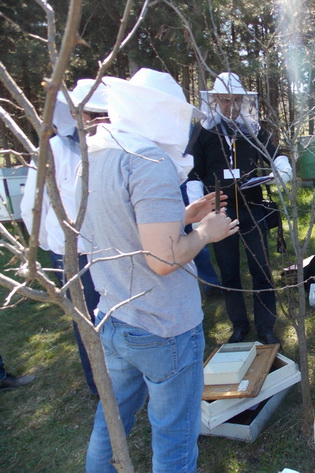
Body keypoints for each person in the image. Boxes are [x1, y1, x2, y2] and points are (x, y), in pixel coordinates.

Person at [81, 68, 238, 473]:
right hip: (163, 326)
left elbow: (126, 229)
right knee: (174, 436)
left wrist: (182, 216)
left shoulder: (97, 153)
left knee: (110, 426)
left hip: (115, 316)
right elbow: (163, 260)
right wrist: (204, 231)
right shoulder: (148, 160)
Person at [21, 79, 109, 395]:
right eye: (91, 112)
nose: (97, 119)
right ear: (76, 113)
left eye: (103, 112)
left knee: (116, 315)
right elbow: (34, 203)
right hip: (73, 253)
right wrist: (51, 247)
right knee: (86, 322)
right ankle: (98, 384)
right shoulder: (54, 150)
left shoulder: (112, 147)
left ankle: (123, 377)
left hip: (111, 249)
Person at [187, 72, 289, 345]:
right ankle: (239, 325)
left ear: (243, 100)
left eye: (235, 100)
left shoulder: (252, 129)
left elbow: (275, 152)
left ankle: (266, 326)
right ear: (216, 100)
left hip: (252, 206)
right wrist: (200, 212)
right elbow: (193, 173)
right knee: (229, 270)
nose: (230, 106)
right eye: (224, 100)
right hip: (219, 211)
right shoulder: (203, 132)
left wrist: (282, 166)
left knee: (261, 268)